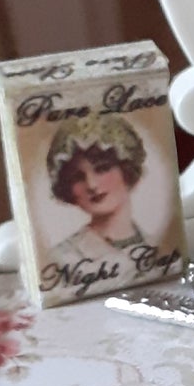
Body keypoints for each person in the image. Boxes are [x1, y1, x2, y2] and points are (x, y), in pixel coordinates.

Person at [41, 114, 162, 293]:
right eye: (77, 177)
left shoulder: (160, 246)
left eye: (102, 168)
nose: (91, 185)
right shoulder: (63, 258)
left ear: (126, 169)